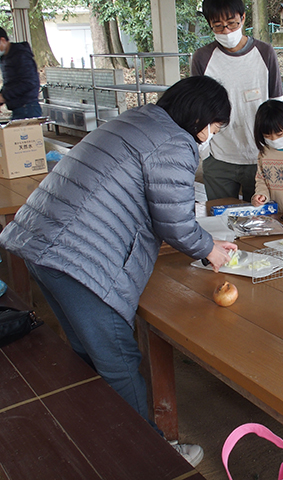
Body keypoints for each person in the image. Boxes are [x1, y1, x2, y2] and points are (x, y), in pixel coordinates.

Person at [0, 75, 237, 467]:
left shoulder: (138, 120)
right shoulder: (175, 142)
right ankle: (150, 456)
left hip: (42, 244)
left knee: (88, 352)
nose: (211, 135)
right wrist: (209, 248)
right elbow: (175, 221)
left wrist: (204, 243)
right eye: (215, 127)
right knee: (119, 360)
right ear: (202, 118)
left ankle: (105, 433)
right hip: (80, 259)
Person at [192, 0, 283, 202]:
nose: (226, 31)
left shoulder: (265, 53)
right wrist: (205, 151)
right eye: (218, 26)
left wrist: (278, 152)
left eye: (232, 23)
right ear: (210, 25)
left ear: (243, 18)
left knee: (262, 223)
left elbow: (278, 105)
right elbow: (197, 109)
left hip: (260, 156)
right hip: (219, 158)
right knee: (220, 219)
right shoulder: (202, 58)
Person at [0, 28, 42, 120]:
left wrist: (4, 96)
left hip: (27, 108)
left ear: (2, 40)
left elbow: (29, 82)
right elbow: (10, 83)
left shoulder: (20, 55)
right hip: (18, 108)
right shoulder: (6, 57)